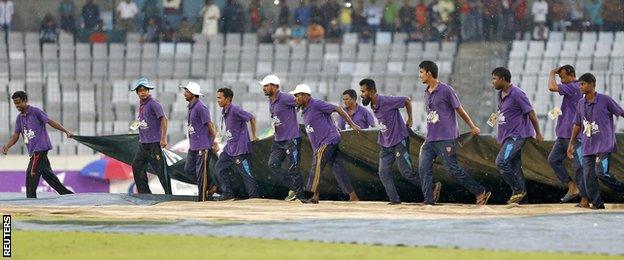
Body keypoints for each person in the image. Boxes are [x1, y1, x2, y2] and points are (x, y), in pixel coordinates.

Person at [418, 61, 491, 205]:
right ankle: (429, 200)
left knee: (453, 169)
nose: (419, 75)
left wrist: (472, 126)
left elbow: (460, 109)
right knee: (423, 167)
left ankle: (480, 192)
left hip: (446, 138)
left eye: (421, 72)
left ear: (429, 73)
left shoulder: (446, 90)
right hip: (430, 139)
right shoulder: (426, 92)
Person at [359, 78, 441, 205]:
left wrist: (410, 118)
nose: (361, 94)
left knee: (407, 173)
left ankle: (432, 187)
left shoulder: (386, 100)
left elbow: (406, 100)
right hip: (385, 144)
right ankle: (395, 200)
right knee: (383, 172)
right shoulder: (372, 104)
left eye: (363, 91)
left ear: (370, 92)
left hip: (399, 141)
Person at [291, 84, 360, 204]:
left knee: (317, 164)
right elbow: (326, 117)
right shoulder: (305, 110)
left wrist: (352, 124)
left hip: (328, 140)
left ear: (306, 96)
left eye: (297, 95)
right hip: (322, 143)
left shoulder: (316, 104)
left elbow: (337, 109)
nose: (295, 98)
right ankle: (353, 196)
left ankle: (313, 196)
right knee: (338, 169)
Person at [567, 73, 624, 210]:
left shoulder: (605, 100)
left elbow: (621, 112)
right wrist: (571, 143)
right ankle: (598, 204)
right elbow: (577, 124)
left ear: (592, 84)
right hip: (587, 147)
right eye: (580, 84)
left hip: (603, 146)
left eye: (583, 84)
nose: (580, 87)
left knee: (601, 173)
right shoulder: (581, 103)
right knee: (588, 177)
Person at [2, 91, 74, 198]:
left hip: (40, 149)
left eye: (18, 102)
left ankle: (30, 202)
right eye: (15, 103)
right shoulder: (19, 118)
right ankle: (68, 194)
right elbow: (16, 135)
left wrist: (66, 131)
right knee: (48, 176)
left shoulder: (35, 112)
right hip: (33, 151)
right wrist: (7, 146)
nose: (16, 106)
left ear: (25, 100)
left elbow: (50, 122)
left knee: (31, 175)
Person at [490, 67, 543, 204]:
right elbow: (500, 113)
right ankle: (522, 201)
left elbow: (531, 113)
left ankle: (518, 190)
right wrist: (496, 130)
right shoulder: (500, 94)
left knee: (501, 162)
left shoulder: (517, 94)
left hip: (517, 136)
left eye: (494, 79)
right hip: (507, 136)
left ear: (502, 79)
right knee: (515, 168)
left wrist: (538, 132)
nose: (493, 82)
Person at [260, 75, 307, 202]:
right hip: (278, 139)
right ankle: (295, 189)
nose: (264, 88)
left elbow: (302, 102)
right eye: (263, 86)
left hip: (291, 138)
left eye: (266, 85)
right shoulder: (271, 99)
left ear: (275, 86)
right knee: (273, 165)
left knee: (294, 167)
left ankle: (301, 197)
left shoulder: (285, 97)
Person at [546, 65, 586, 205]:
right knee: (553, 160)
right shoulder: (571, 91)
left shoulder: (574, 86)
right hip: (563, 135)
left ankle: (585, 198)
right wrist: (553, 114)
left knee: (579, 166)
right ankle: (572, 187)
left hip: (575, 137)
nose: (561, 80)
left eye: (562, 77)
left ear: (570, 74)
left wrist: (552, 72)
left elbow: (551, 87)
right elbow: (563, 108)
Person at [214, 88, 259, 201]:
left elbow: (252, 118)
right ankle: (228, 193)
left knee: (246, 174)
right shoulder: (224, 112)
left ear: (228, 99)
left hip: (240, 149)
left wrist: (254, 136)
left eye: (220, 98)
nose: (217, 100)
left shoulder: (235, 110)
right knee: (219, 167)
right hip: (229, 149)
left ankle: (254, 198)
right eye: (217, 97)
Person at [129, 78, 171, 194]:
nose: (143, 92)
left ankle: (169, 195)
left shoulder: (154, 103)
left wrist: (163, 139)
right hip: (143, 144)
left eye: (145, 90)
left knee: (161, 171)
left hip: (154, 144)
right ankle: (145, 193)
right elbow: (142, 120)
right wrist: (134, 127)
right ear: (137, 92)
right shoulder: (142, 105)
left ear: (149, 91)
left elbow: (164, 119)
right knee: (136, 166)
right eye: (140, 90)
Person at [181, 82, 219, 202]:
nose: (184, 94)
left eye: (187, 92)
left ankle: (202, 199)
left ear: (193, 94)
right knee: (188, 169)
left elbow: (210, 126)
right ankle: (211, 185)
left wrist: (214, 142)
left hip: (202, 147)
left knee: (201, 174)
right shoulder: (191, 107)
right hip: (194, 146)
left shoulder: (200, 107)